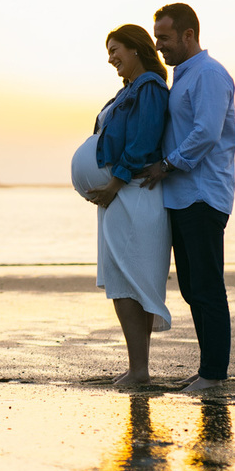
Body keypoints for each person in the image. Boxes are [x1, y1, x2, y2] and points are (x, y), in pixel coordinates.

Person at [140, 4, 235, 393]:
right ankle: (207, 370)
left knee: (207, 286)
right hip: (180, 197)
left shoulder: (210, 75)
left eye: (164, 37)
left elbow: (206, 133)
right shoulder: (182, 77)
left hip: (203, 195)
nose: (158, 45)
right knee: (192, 288)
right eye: (156, 37)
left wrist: (166, 165)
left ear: (188, 35)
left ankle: (214, 375)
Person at [71, 24, 171, 386]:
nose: (111, 58)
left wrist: (114, 182)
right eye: (108, 52)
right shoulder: (127, 90)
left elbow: (144, 139)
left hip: (132, 194)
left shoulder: (150, 87)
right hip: (121, 195)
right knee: (124, 278)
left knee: (131, 281)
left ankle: (140, 370)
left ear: (136, 49)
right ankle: (138, 367)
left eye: (116, 50)